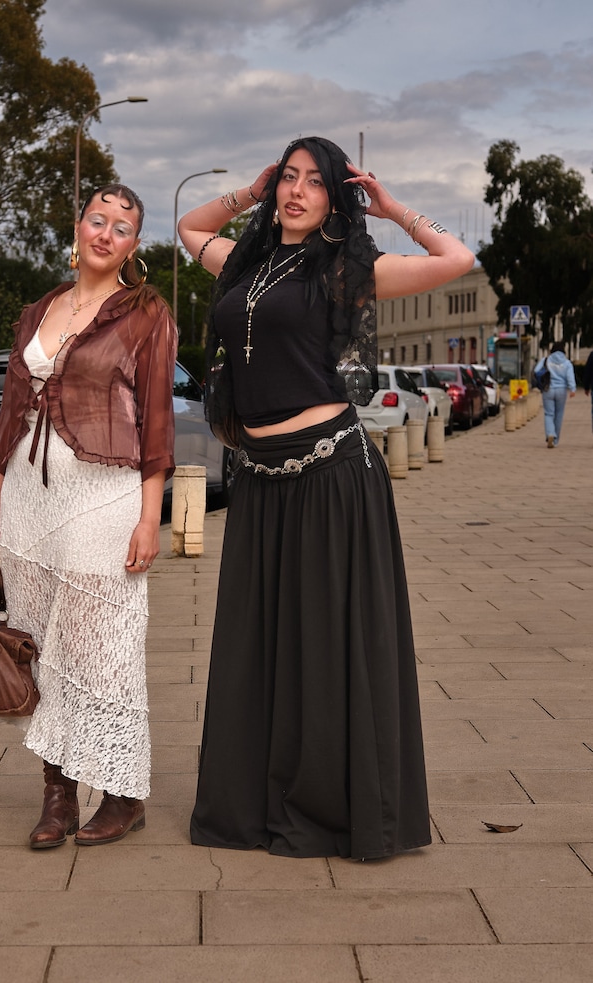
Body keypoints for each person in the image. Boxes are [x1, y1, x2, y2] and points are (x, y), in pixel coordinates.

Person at [178, 136, 475, 859]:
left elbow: (457, 259)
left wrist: (393, 208)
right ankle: (255, 805)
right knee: (258, 650)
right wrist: (246, 192)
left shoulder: (351, 269)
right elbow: (189, 227)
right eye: (289, 177)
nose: (296, 190)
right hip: (260, 483)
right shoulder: (243, 263)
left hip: (330, 478)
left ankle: (332, 810)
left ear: (336, 197)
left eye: (314, 181)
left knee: (324, 650)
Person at [0, 184, 178, 848]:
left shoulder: (146, 313)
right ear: (79, 227)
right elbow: (10, 416)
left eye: (123, 226)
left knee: (102, 645)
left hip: (104, 493)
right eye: (97, 219)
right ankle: (57, 796)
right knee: (38, 645)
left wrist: (150, 517)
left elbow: (157, 421)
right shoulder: (39, 310)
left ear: (134, 245)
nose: (106, 233)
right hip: (31, 497)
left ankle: (122, 791)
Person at [536, 341, 576, 448]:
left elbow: (536, 371)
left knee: (548, 414)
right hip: (561, 390)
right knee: (559, 414)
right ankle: (555, 440)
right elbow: (570, 377)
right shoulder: (567, 363)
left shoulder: (546, 360)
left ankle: (550, 433)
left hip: (548, 389)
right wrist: (572, 389)